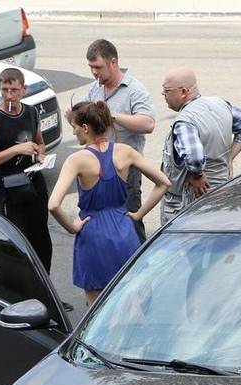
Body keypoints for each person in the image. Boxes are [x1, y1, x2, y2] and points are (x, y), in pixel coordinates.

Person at [48, 101, 169, 306]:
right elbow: (164, 182)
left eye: (74, 128)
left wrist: (72, 227)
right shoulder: (125, 152)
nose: (74, 133)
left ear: (86, 128)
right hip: (124, 231)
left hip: (93, 234)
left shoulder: (77, 160)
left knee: (96, 309)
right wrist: (138, 215)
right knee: (130, 303)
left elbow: (53, 205)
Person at [72, 39, 156, 242]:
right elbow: (85, 125)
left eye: (98, 67)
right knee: (103, 225)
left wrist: (112, 116)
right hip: (96, 169)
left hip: (124, 170)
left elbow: (148, 124)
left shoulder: (135, 90)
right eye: (91, 67)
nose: (94, 72)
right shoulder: (95, 88)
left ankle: (137, 268)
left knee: (129, 225)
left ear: (113, 62)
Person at [160, 66, 241, 225]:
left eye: (167, 90)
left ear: (184, 92)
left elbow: (194, 157)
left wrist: (197, 174)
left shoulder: (185, 121)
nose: (163, 95)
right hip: (220, 194)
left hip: (186, 204)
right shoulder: (219, 104)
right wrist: (228, 158)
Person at [0, 67, 52, 272]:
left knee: (41, 238)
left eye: (14, 90)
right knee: (18, 241)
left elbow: (40, 143)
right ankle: (21, 293)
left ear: (24, 90)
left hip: (33, 181)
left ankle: (45, 292)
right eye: (5, 89)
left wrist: (40, 154)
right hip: (8, 187)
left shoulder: (31, 112)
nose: (9, 95)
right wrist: (15, 150)